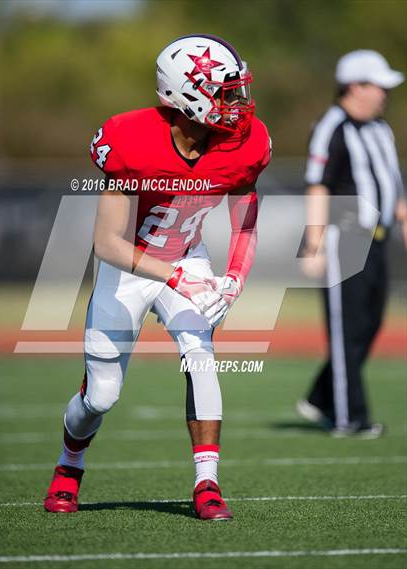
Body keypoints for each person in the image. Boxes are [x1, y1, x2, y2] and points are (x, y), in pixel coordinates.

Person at [43, 34, 271, 519]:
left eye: (236, 90)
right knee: (101, 396)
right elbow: (107, 243)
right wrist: (173, 278)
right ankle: (68, 465)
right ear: (188, 94)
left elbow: (246, 218)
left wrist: (233, 276)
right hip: (130, 265)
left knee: (201, 355)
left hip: (187, 255)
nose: (237, 103)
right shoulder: (131, 140)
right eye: (224, 91)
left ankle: (207, 483)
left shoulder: (244, 145)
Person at [298, 50, 406, 438]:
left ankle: (320, 395)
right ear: (355, 86)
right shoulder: (332, 126)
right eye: (378, 86)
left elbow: (390, 179)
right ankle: (349, 417)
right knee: (346, 328)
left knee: (369, 324)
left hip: (377, 238)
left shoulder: (380, 129)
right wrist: (313, 243)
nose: (384, 95)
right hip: (344, 235)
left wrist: (402, 216)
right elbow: (317, 185)